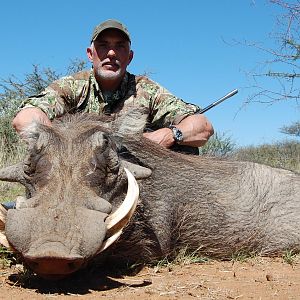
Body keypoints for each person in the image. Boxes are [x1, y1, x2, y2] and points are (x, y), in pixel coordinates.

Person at [12, 19, 214, 152]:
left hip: (131, 169)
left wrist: (169, 135)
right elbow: (25, 119)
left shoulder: (147, 90)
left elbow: (203, 127)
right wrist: (64, 149)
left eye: (120, 47)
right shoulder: (72, 86)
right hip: (79, 168)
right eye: (103, 45)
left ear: (130, 56)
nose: (111, 53)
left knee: (186, 147)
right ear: (90, 55)